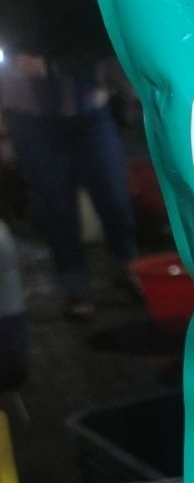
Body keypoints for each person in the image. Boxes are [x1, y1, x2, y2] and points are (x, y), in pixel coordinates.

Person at [0, 53, 139, 319]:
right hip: (31, 118)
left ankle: (127, 269)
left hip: (90, 109)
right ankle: (74, 287)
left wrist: (129, 88)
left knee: (114, 198)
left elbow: (105, 50)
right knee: (57, 207)